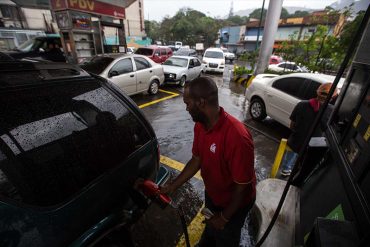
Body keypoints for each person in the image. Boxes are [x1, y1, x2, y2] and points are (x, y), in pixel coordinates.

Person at [161, 77, 256, 247]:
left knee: (226, 238)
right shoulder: (200, 125)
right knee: (211, 232)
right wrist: (172, 186)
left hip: (234, 205)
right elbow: (196, 159)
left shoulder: (237, 136)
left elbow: (243, 186)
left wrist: (225, 217)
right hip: (213, 196)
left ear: (201, 103)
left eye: (188, 103)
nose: (186, 108)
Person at [281, 83, 338, 176]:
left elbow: (292, 124)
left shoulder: (301, 104)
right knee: (307, 167)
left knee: (292, 151)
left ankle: (286, 169)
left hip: (296, 141)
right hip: (314, 146)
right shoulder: (332, 111)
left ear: (317, 92)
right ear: (333, 96)